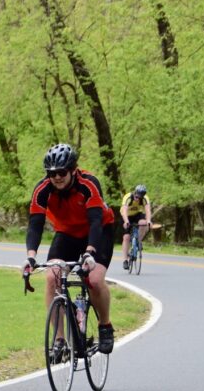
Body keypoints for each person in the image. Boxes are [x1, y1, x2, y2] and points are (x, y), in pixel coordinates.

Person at [21, 144, 115, 354]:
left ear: (73, 169)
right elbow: (35, 224)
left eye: (62, 172)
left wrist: (90, 253)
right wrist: (31, 257)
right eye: (52, 173)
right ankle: (60, 339)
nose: (57, 177)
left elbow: (95, 221)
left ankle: (105, 325)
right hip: (67, 233)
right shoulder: (42, 189)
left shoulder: (88, 184)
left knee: (95, 279)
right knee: (52, 277)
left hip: (98, 230)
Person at [121, 184, 152, 270]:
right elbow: (124, 210)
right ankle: (125, 260)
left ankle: (139, 241)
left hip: (137, 214)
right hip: (126, 216)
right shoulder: (128, 197)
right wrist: (126, 221)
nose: (137, 199)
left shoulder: (145, 198)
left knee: (143, 223)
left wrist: (149, 220)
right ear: (135, 193)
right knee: (126, 237)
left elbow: (148, 210)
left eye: (140, 198)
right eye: (137, 196)